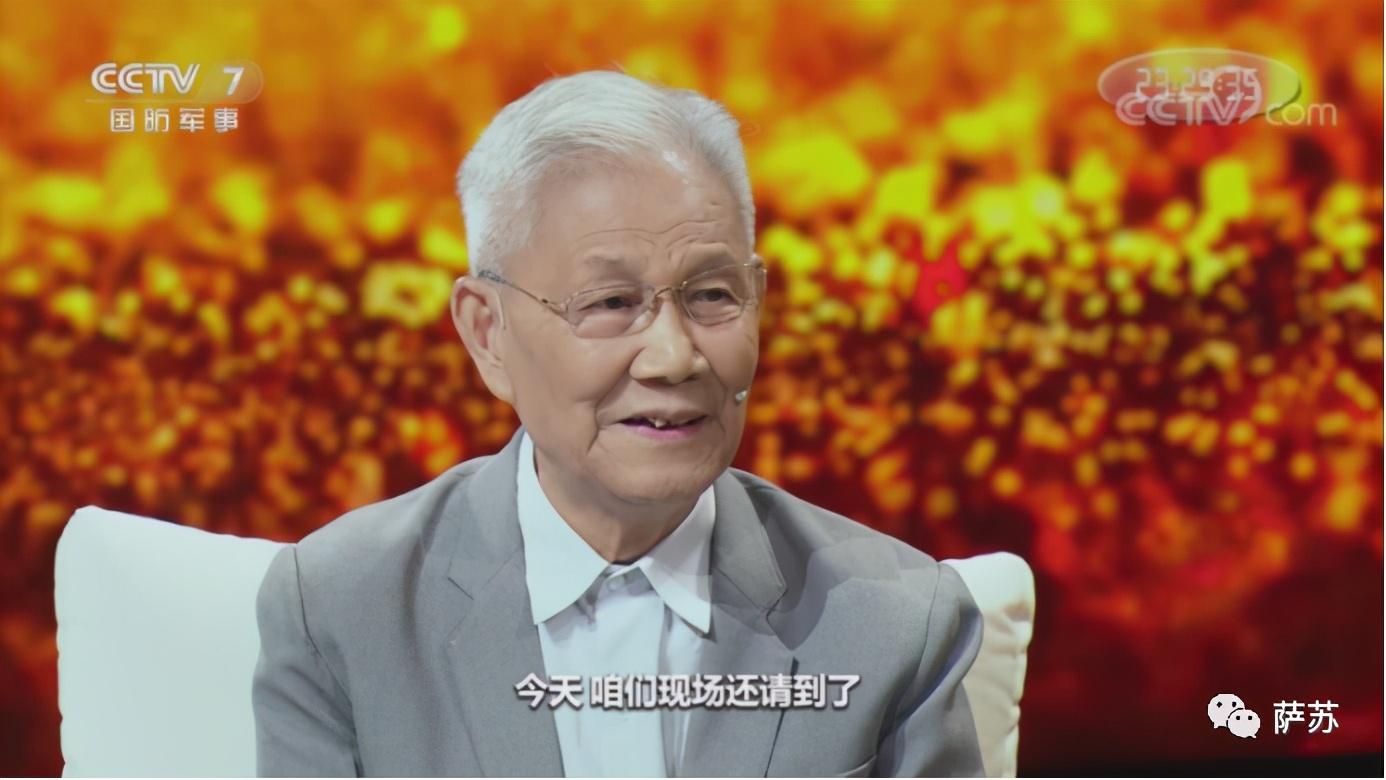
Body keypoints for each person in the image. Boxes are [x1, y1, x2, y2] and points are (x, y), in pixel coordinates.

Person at [251, 68, 986, 777]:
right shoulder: (344, 607)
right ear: (488, 332)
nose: (674, 356)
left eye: (712, 295)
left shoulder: (896, 624)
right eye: (609, 303)